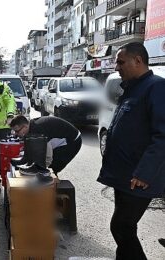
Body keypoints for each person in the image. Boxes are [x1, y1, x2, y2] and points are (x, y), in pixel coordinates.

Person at [97, 42, 165, 260]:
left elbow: (162, 135)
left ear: (138, 61)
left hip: (139, 176)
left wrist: (145, 172)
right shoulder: (132, 88)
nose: (116, 67)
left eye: (120, 61)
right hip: (124, 174)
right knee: (125, 227)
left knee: (121, 226)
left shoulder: (156, 87)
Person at [9, 115, 81, 175]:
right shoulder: (31, 126)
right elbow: (30, 147)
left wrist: (40, 168)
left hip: (72, 141)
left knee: (52, 167)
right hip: (63, 138)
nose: (16, 134)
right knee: (40, 161)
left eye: (17, 131)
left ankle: (51, 187)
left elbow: (47, 155)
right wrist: (25, 160)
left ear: (25, 127)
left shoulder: (37, 129)